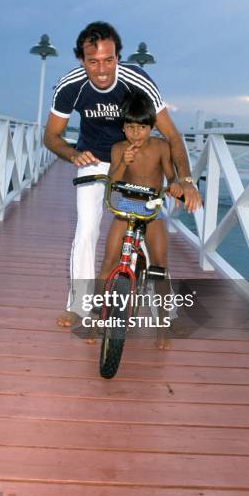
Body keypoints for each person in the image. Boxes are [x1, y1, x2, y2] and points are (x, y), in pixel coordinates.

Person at [43, 21, 201, 327]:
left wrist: (185, 181)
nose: (102, 70)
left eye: (109, 60)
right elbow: (51, 137)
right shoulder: (70, 86)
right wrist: (73, 154)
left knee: (145, 234)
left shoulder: (137, 79)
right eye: (93, 62)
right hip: (92, 160)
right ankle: (78, 305)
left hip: (133, 161)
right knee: (87, 229)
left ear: (118, 56)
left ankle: (158, 306)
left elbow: (172, 136)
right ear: (80, 60)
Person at [97, 90, 185, 349]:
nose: (136, 133)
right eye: (131, 127)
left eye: (142, 127)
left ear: (151, 127)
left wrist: (176, 187)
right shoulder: (118, 148)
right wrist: (123, 162)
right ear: (123, 127)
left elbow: (170, 176)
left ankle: (163, 327)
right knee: (108, 262)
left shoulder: (161, 147)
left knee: (160, 266)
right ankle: (97, 317)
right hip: (125, 207)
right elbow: (113, 180)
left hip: (152, 210)